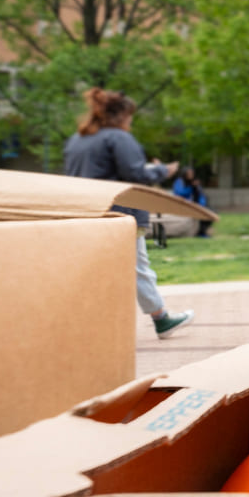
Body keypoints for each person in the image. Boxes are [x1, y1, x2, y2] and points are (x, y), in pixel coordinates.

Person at [62, 87, 192, 338]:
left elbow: (96, 171)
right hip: (118, 213)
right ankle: (161, 319)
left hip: (84, 211)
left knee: (91, 268)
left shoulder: (78, 140)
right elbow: (135, 174)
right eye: (130, 116)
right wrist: (161, 171)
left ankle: (81, 321)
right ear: (122, 116)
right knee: (137, 266)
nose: (131, 121)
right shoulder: (118, 138)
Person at [172, 166, 212, 239]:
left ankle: (202, 232)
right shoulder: (179, 181)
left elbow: (201, 194)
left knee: (209, 212)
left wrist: (201, 205)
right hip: (184, 205)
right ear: (184, 174)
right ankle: (199, 232)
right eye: (189, 173)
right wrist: (191, 187)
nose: (191, 175)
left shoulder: (195, 182)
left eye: (192, 173)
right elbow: (179, 193)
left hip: (197, 205)